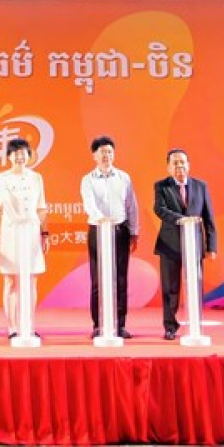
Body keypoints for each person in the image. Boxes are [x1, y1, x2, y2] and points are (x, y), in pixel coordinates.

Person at [153, 148, 217, 341]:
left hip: (194, 244)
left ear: (188, 165)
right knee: (170, 289)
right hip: (169, 245)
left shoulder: (200, 186)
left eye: (182, 162)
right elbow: (160, 209)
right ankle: (170, 327)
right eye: (175, 163)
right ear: (168, 167)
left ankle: (195, 323)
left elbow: (208, 217)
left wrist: (211, 246)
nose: (179, 166)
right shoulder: (161, 186)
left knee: (195, 286)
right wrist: (181, 219)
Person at [80, 136, 139, 339]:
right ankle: (98, 325)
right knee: (98, 279)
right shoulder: (88, 180)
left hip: (120, 230)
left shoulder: (124, 178)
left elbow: (131, 206)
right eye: (102, 152)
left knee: (120, 279)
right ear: (94, 156)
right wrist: (101, 218)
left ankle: (119, 325)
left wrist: (134, 231)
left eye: (109, 152)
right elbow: (89, 204)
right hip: (98, 230)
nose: (106, 155)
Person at [0, 138, 50, 338]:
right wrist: (20, 220)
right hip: (12, 232)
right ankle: (12, 327)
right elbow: (5, 202)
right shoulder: (1, 178)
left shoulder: (37, 178)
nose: (20, 157)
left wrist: (44, 233)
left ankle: (28, 325)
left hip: (32, 233)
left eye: (24, 153)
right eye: (16, 153)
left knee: (31, 279)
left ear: (29, 156)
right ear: (9, 156)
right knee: (11, 280)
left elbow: (41, 207)